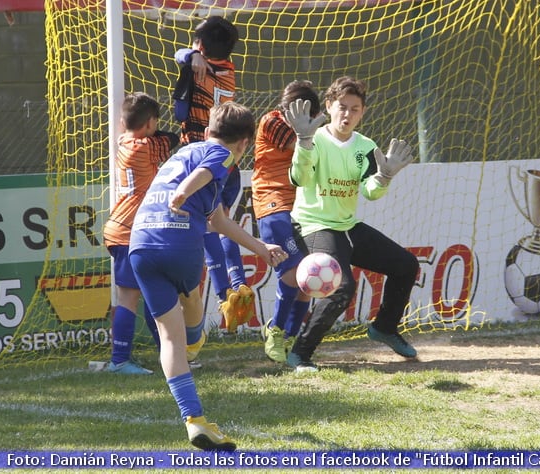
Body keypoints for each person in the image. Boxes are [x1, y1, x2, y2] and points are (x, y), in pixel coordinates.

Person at [129, 102, 288, 450]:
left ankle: (195, 421)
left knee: (169, 339)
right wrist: (184, 191)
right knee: (191, 315)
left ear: (207, 130)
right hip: (177, 240)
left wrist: (261, 247)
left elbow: (218, 221)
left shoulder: (182, 154)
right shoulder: (223, 154)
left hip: (140, 245)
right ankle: (196, 340)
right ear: (244, 143)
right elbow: (209, 169)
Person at [283, 76, 420, 372]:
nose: (347, 114)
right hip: (313, 225)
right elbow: (300, 179)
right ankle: (300, 354)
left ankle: (384, 327)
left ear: (363, 112)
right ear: (329, 106)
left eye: (354, 109)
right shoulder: (314, 138)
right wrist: (304, 143)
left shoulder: (366, 146)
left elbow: (370, 192)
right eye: (342, 107)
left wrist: (384, 176)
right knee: (343, 287)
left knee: (406, 265)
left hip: (347, 225)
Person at [174, 15, 256, 335]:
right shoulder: (228, 70)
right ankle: (238, 286)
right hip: (229, 164)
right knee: (221, 224)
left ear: (201, 46)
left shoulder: (198, 70)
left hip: (203, 161)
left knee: (209, 229)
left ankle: (225, 297)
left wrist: (190, 57)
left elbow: (181, 109)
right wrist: (194, 54)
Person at [102, 92, 178, 375]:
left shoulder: (124, 141)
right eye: (155, 122)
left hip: (135, 230)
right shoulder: (145, 147)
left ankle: (169, 353)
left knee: (153, 293)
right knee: (129, 297)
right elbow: (172, 139)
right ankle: (119, 360)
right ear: (149, 124)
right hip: (128, 231)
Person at [252, 80, 319, 362]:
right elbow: (300, 146)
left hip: (302, 207)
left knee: (310, 278)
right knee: (292, 272)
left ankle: (290, 336)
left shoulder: (312, 130)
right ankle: (276, 329)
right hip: (273, 202)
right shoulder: (272, 121)